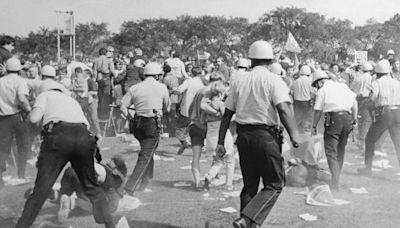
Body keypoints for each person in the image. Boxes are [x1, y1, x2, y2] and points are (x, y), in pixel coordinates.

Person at [16, 68, 116, 228]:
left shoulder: (44, 95)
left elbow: (34, 118)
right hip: (84, 137)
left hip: (59, 136)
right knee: (91, 187)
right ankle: (111, 225)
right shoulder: (71, 100)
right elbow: (87, 125)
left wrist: (30, 113)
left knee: (41, 190)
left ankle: (22, 225)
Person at [216, 40, 299, 228]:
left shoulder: (239, 80)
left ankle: (246, 222)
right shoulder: (273, 79)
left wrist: (221, 141)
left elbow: (227, 114)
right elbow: (284, 109)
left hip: (243, 136)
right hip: (265, 136)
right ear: (270, 60)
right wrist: (294, 136)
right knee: (275, 183)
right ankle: (247, 219)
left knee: (250, 185)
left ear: (251, 59)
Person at [120, 62, 170, 195]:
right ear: (158, 75)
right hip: (152, 124)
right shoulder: (162, 88)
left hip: (138, 124)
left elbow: (123, 106)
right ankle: (130, 187)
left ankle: (147, 179)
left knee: (147, 152)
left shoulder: (135, 88)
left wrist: (131, 118)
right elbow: (167, 108)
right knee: (145, 155)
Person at [311, 70, 358, 191]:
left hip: (333, 119)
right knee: (340, 149)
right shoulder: (343, 86)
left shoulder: (323, 90)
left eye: (316, 85)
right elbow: (354, 103)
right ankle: (336, 178)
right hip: (347, 117)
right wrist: (354, 118)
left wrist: (313, 126)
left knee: (331, 151)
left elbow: (317, 110)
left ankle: (335, 182)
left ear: (319, 82)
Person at [358, 60, 400, 176]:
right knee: (398, 143)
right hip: (397, 112)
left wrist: (369, 106)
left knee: (370, 139)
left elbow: (372, 98)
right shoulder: (396, 82)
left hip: (385, 113)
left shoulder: (377, 82)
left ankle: (367, 168)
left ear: (377, 72)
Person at [0, 58, 32, 188]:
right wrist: (29, 110)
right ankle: (21, 174)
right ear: (19, 69)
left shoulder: (1, 81)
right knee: (23, 145)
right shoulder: (20, 81)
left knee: (2, 148)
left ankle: (0, 178)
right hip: (17, 116)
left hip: (2, 118)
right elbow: (22, 99)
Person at [201, 80, 235, 190]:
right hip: (222, 134)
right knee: (230, 159)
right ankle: (228, 183)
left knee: (217, 160)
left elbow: (202, 119)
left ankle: (209, 175)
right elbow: (227, 117)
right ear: (221, 93)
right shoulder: (220, 104)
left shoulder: (207, 104)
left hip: (210, 133)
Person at [173, 66, 206, 155]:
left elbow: (179, 90)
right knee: (198, 129)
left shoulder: (189, 81)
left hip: (187, 109)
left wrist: (173, 91)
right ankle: (201, 146)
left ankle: (185, 142)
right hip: (198, 110)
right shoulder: (202, 84)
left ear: (191, 73)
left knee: (178, 130)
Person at [350, 62, 374, 150]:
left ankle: (359, 139)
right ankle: (362, 140)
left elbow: (351, 89)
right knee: (367, 120)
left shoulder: (357, 78)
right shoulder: (371, 79)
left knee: (359, 119)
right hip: (366, 100)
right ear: (370, 70)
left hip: (357, 100)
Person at [93, 47, 116, 119]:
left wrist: (95, 80)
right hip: (106, 78)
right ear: (105, 53)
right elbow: (112, 71)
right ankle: (104, 113)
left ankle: (99, 112)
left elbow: (94, 72)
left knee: (100, 96)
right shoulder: (109, 60)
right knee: (106, 96)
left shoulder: (96, 60)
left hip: (99, 78)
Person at [292, 65, 314, 130]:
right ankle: (306, 132)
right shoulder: (309, 81)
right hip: (306, 102)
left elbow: (292, 92)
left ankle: (297, 133)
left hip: (297, 102)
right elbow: (312, 93)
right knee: (307, 119)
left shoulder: (296, 81)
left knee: (298, 119)